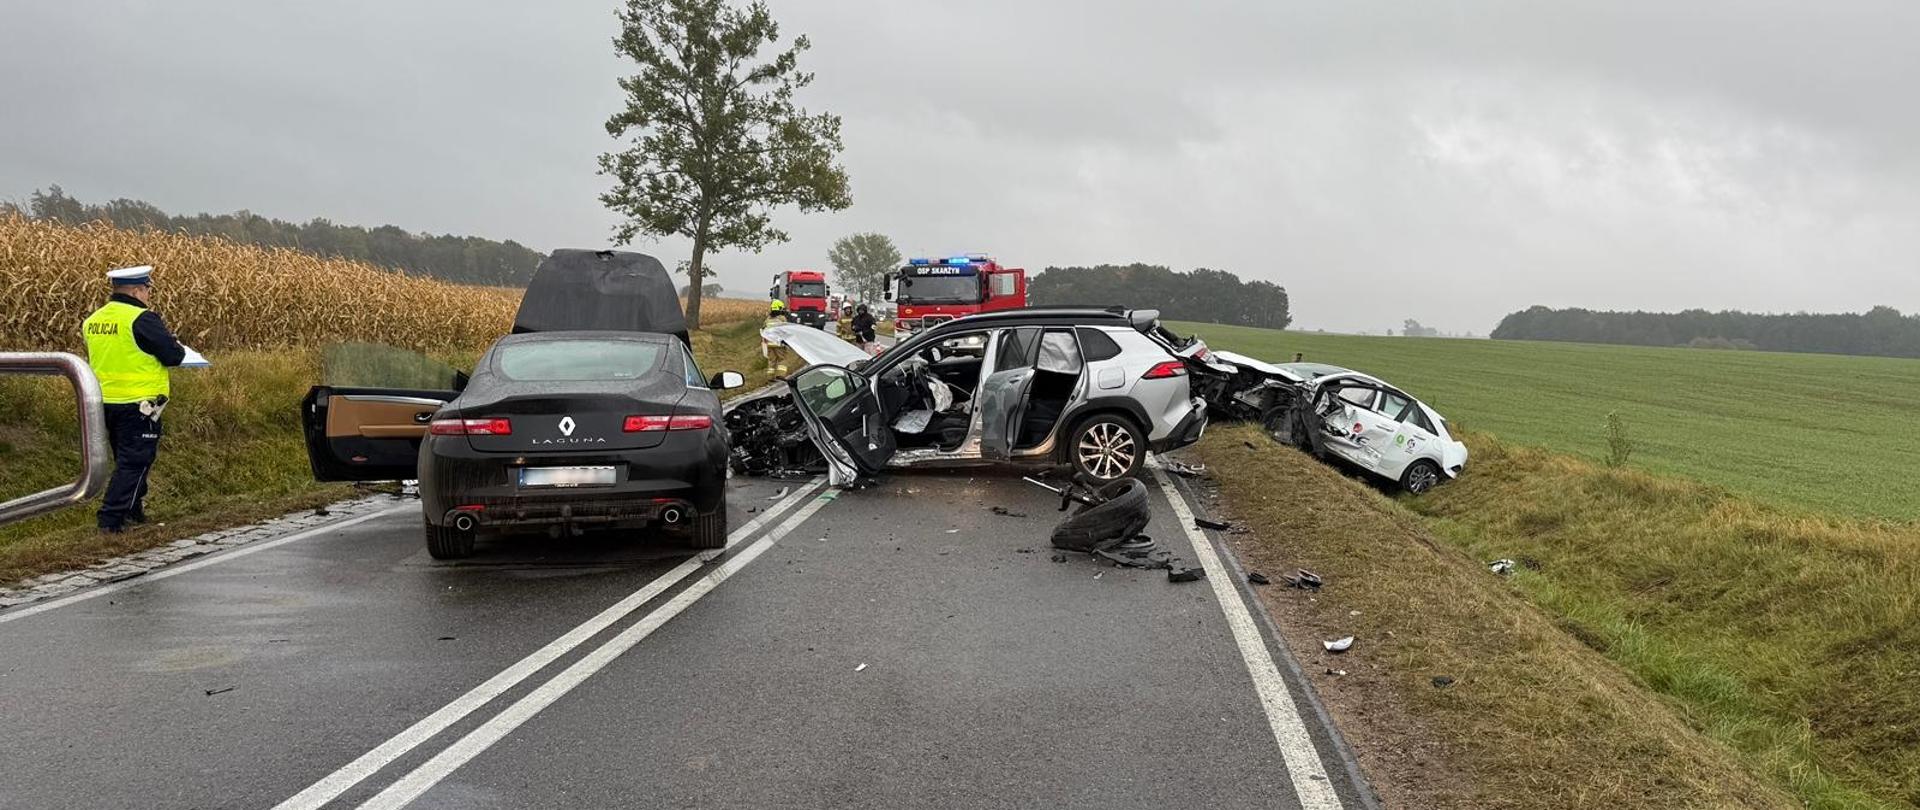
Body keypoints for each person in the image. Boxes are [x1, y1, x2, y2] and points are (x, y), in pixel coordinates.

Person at [82, 265, 185, 533]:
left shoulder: (94, 320)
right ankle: (111, 520)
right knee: (135, 461)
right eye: (148, 289)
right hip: (139, 404)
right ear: (137, 290)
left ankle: (133, 510)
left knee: (126, 459)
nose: (149, 294)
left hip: (103, 403)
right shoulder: (141, 318)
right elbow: (173, 356)